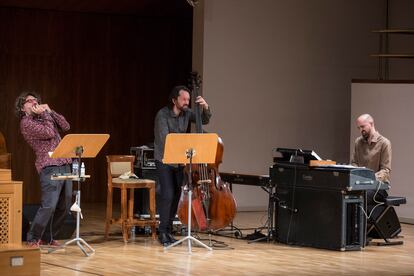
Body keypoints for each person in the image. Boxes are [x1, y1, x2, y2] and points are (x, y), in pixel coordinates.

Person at [154, 85, 211, 246]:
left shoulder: (187, 113)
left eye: (188, 99)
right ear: (174, 100)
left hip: (180, 161)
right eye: (184, 99)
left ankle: (169, 230)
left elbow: (204, 120)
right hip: (164, 160)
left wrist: (205, 106)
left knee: (176, 197)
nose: (187, 102)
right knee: (168, 195)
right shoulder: (162, 115)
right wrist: (179, 156)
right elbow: (165, 140)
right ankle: (162, 232)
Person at [15, 92, 73, 247]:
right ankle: (33, 237)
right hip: (49, 165)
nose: (34, 102)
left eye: (36, 100)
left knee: (65, 205)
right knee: (49, 205)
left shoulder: (45, 116)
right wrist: (46, 115)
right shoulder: (26, 123)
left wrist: (50, 111)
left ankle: (48, 236)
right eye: (29, 101)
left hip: (65, 162)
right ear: (22, 108)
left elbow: (66, 126)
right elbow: (49, 133)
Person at [351, 113, 391, 204]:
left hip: (377, 188)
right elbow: (354, 163)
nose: (361, 130)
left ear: (371, 124)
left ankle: (361, 218)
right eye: (359, 128)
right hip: (359, 186)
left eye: (362, 127)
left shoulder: (384, 143)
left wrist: (368, 179)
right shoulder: (358, 142)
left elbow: (385, 171)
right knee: (345, 195)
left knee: (360, 197)